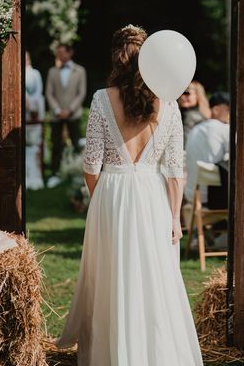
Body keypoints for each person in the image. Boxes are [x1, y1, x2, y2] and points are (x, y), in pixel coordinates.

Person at [56, 25, 203, 366]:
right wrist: (175, 217)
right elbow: (174, 169)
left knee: (111, 278)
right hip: (154, 198)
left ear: (116, 58)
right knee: (156, 281)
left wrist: (102, 201)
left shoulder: (100, 99)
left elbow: (91, 165)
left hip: (112, 194)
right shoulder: (168, 104)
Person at [45, 44, 87, 184]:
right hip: (56, 115)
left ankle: (77, 172)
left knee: (76, 143)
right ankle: (55, 173)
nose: (59, 55)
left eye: (62, 53)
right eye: (58, 53)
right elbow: (49, 93)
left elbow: (81, 93)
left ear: (70, 53)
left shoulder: (80, 71)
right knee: (56, 144)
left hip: (73, 114)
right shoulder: (52, 72)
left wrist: (69, 110)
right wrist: (57, 110)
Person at [185, 91, 230, 210]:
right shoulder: (224, 129)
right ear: (216, 110)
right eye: (229, 110)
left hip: (192, 195)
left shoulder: (195, 129)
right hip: (212, 198)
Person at [25, 52, 45, 190]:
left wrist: (32, 103)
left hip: (35, 109)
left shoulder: (35, 73)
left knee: (35, 144)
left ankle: (36, 176)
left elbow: (38, 91)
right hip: (24, 111)